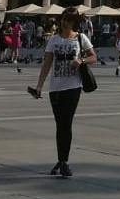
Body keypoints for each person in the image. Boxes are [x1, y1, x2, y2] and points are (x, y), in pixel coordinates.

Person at [32, 9, 97, 179]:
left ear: (74, 22)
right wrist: (39, 86)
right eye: (63, 19)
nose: (64, 23)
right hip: (55, 89)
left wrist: (80, 60)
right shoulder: (53, 40)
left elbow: (93, 57)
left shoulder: (81, 38)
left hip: (73, 87)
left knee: (66, 124)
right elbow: (46, 64)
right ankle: (61, 159)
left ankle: (64, 162)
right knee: (60, 125)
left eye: (68, 20)